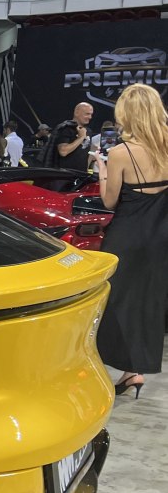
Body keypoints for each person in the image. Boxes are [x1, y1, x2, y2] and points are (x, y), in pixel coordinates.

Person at [93, 82, 168, 399]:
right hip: (160, 237)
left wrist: (101, 170)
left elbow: (110, 201)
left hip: (127, 235)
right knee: (148, 302)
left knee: (113, 301)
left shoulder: (120, 153)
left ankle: (102, 365)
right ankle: (135, 372)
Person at [46, 102, 95, 171]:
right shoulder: (65, 128)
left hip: (81, 174)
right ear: (76, 113)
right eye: (87, 114)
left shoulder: (88, 131)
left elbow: (87, 151)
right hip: (65, 174)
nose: (90, 117)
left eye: (91, 114)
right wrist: (81, 137)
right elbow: (63, 152)